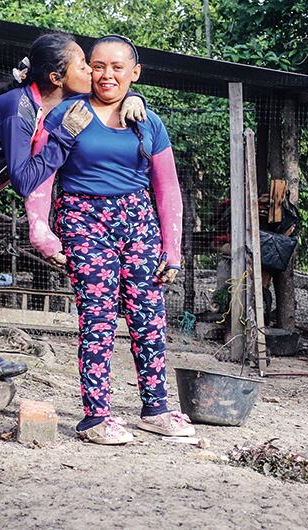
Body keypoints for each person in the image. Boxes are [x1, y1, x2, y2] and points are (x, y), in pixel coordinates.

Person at [0, 33, 146, 384]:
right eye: (84, 66)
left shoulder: (55, 102)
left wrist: (134, 97)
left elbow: (111, 89)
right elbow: (25, 180)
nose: (93, 73)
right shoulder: (19, 109)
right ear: (57, 77)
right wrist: (65, 137)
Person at [27, 35, 191, 445]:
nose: (106, 74)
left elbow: (167, 187)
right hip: (83, 219)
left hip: (138, 221)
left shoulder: (147, 120)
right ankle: (96, 416)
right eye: (97, 66)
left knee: (148, 317)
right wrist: (41, 229)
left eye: (118, 67)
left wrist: (172, 249)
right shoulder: (68, 114)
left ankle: (155, 409)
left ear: (134, 73)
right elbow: (43, 174)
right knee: (97, 318)